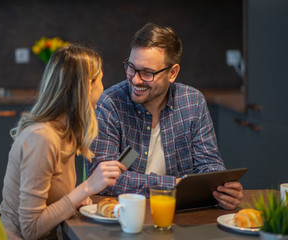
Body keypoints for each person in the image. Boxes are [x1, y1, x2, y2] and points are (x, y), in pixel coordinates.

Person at [86, 22, 243, 210]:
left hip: (182, 215)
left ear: (172, 72)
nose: (135, 79)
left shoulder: (193, 102)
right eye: (131, 67)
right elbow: (103, 179)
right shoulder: (111, 103)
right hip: (125, 215)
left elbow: (209, 165)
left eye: (147, 73)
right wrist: (175, 185)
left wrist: (222, 190)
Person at [0, 44, 126, 240]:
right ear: (87, 86)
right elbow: (30, 230)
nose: (103, 88)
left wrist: (76, 200)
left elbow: (51, 203)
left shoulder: (65, 133)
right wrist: (86, 188)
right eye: (101, 80)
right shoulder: (41, 138)